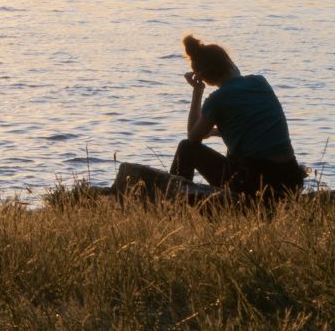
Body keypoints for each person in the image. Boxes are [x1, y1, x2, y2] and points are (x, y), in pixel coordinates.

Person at [113, 35, 305, 207]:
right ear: (229, 63)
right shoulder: (259, 82)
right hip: (290, 180)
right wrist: (214, 132)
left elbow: (193, 137)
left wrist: (197, 92)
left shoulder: (218, 99)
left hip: (254, 185)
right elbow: (251, 127)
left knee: (186, 148)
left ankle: (174, 203)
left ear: (205, 77)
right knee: (233, 153)